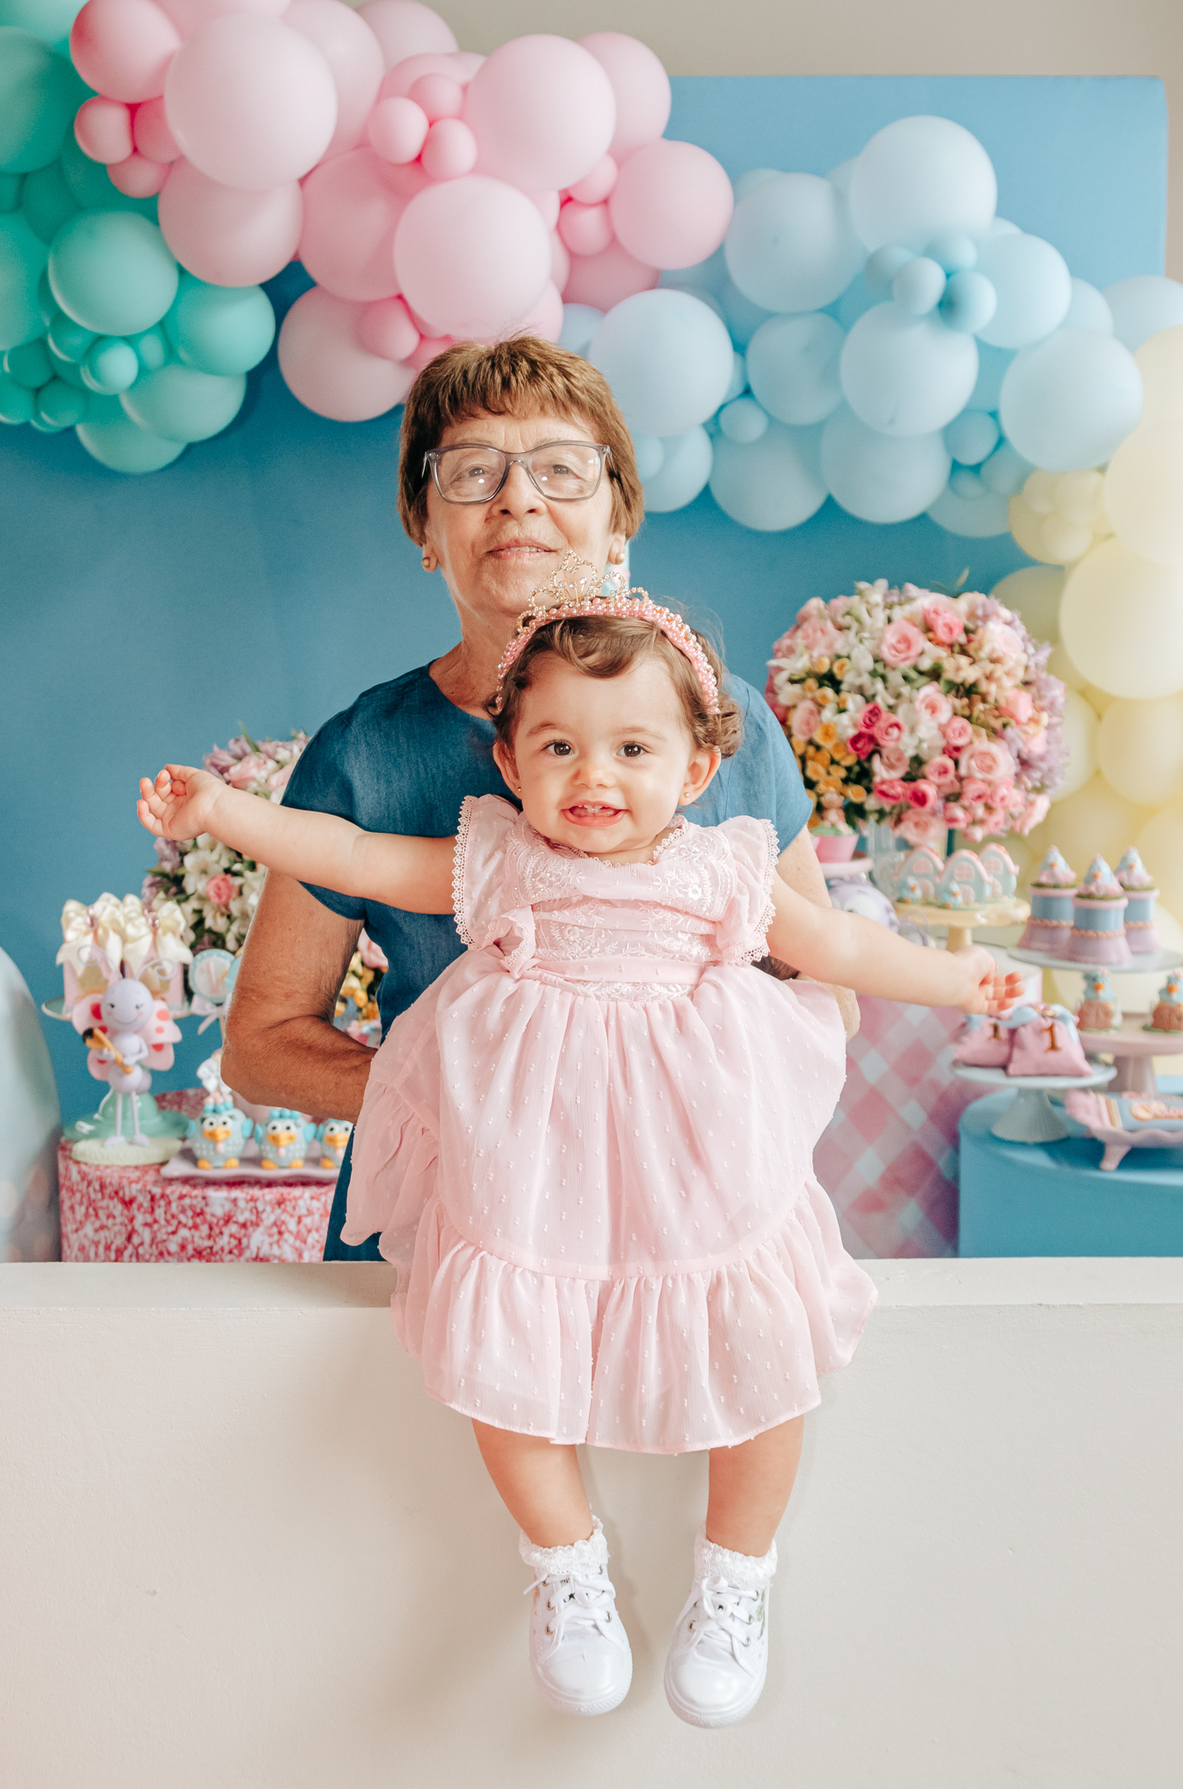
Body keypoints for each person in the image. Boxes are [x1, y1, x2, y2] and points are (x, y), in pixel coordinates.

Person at [138, 558, 1016, 1728]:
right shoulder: (496, 857)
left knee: (761, 1338)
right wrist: (220, 814)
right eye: (557, 748)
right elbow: (346, 855)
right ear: (509, 764)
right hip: (534, 1161)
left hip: (695, 1154)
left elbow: (843, 953)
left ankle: (736, 1575)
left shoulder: (725, 867)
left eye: (632, 750)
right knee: (503, 1351)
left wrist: (971, 979)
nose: (592, 775)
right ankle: (565, 1566)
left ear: (700, 767)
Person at [219, 335, 858, 1276]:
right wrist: (458, 1098)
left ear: (618, 523)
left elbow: (827, 997)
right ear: (424, 529)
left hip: (679, 1246)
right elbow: (259, 1046)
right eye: (473, 472)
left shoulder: (732, 729)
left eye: (562, 469)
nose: (519, 498)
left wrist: (655, 1106)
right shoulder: (363, 756)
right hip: (437, 1238)